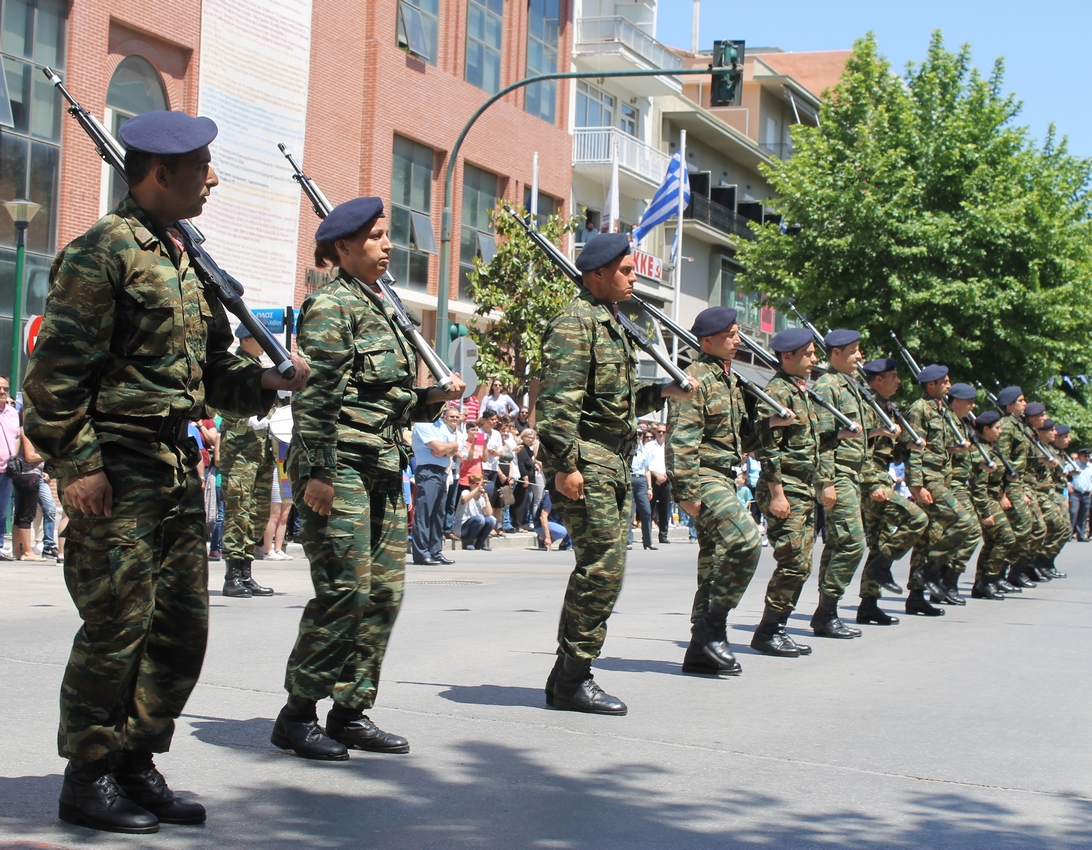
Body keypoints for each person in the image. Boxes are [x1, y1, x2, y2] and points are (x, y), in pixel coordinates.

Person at [22, 110, 308, 835]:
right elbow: (53, 381)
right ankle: (88, 775)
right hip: (116, 469)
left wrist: (267, 381)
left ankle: (135, 760)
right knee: (116, 627)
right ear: (159, 173)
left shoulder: (186, 259)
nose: (212, 179)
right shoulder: (102, 253)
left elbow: (212, 373)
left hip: (176, 465)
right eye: (201, 167)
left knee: (179, 629)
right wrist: (79, 466)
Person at [272, 196, 463, 761]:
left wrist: (432, 396)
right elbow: (315, 399)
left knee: (382, 595)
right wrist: (318, 473)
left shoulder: (385, 306)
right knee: (344, 591)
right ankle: (297, 714)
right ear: (343, 247)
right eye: (376, 236)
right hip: (342, 468)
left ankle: (350, 711)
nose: (388, 244)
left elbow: (388, 401)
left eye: (386, 235)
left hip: (384, 466)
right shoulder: (331, 306)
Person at [535, 232, 692, 715]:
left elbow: (614, 404)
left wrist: (660, 393)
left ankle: (565, 676)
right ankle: (574, 678)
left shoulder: (613, 323)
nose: (633, 278)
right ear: (597, 274)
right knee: (602, 571)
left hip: (614, 463)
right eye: (625, 270)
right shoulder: (575, 324)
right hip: (588, 463)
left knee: (602, 570)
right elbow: (556, 406)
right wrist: (565, 467)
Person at [666, 307, 762, 676]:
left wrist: (768, 421)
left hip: (724, 476)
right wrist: (686, 489)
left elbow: (742, 439)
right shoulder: (696, 378)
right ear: (708, 340)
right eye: (730, 334)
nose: (738, 340)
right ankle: (711, 628)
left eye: (737, 333)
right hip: (703, 477)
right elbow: (682, 437)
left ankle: (699, 650)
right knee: (746, 540)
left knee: (715, 560)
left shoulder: (730, 379)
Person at [750, 328, 844, 657]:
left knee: (801, 563)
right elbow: (767, 447)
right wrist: (777, 493)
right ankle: (768, 632)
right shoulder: (777, 391)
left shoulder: (801, 391)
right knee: (792, 561)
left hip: (802, 487)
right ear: (787, 356)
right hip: (785, 486)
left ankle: (777, 627)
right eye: (808, 353)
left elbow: (813, 443)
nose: (815, 359)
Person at [857, 359, 928, 625]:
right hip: (870, 481)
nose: (899, 381)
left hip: (882, 478)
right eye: (894, 376)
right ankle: (881, 566)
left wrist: (908, 446)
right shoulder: (867, 406)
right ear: (879, 380)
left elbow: (889, 452)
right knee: (917, 518)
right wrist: (872, 483)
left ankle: (868, 605)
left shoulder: (888, 407)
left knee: (880, 541)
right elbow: (858, 448)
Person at [901, 365, 975, 616]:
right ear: (931, 385)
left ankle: (916, 596)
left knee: (928, 539)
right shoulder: (919, 408)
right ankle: (930, 570)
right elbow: (914, 449)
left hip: (941, 478)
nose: (949, 386)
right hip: (928, 480)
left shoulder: (940, 409)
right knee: (964, 521)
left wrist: (953, 450)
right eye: (945, 382)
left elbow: (936, 448)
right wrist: (917, 486)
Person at [810, 330, 870, 639]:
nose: (859, 355)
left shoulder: (849, 384)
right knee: (853, 542)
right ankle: (826, 612)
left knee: (837, 542)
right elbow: (822, 439)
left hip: (852, 474)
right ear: (836, 353)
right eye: (854, 350)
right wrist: (826, 482)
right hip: (839, 475)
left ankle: (826, 612)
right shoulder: (827, 386)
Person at [218, 324, 277, 597]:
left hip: (261, 451)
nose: (263, 345)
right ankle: (232, 577)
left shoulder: (258, 367)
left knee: (256, 512)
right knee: (238, 510)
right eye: (259, 340)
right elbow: (217, 403)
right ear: (246, 339)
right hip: (240, 452)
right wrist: (246, 419)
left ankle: (246, 573)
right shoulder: (234, 368)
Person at [996, 387, 1048, 588]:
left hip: (1020, 482)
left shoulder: (1018, 425)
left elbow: (1021, 460)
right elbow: (1001, 460)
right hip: (1010, 484)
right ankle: (998, 574)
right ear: (1009, 405)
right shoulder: (1006, 426)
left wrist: (1040, 460)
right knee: (1022, 529)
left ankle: (1013, 572)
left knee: (1034, 528)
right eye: (1020, 400)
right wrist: (1002, 493)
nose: (1024, 404)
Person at [939, 383, 981, 605]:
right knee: (970, 529)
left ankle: (946, 580)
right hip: (950, 483)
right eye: (969, 402)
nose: (972, 406)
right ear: (956, 401)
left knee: (970, 530)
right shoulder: (946, 420)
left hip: (960, 483)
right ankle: (945, 579)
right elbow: (934, 450)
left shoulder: (962, 423)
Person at [967, 410, 1016, 599]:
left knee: (992, 543)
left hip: (993, 498)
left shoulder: (990, 448)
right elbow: (978, 486)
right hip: (986, 500)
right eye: (997, 428)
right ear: (986, 429)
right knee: (1006, 538)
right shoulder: (981, 451)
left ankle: (981, 584)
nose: (1001, 431)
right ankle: (987, 580)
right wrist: (985, 512)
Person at [410, 408, 460, 565]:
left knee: (438, 514)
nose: (440, 410)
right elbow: (439, 449)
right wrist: (445, 449)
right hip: (428, 471)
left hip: (442, 472)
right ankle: (421, 554)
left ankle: (435, 551)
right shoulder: (422, 424)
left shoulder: (442, 426)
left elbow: (454, 448)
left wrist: (446, 449)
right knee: (424, 513)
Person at [0, 376, 19, 559]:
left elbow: (17, 436)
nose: (2, 392)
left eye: (5, 389)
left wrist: (15, 457)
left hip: (7, 470)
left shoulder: (12, 413)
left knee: (2, 510)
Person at [627, 433, 655, 550]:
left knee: (646, 511)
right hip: (630, 478)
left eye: (640, 435)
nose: (638, 437)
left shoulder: (645, 451)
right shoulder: (627, 448)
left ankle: (648, 541)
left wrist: (650, 487)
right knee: (629, 513)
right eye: (636, 434)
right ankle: (628, 541)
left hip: (641, 480)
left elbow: (647, 470)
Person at [646, 423, 672, 544]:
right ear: (655, 433)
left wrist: (665, 476)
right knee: (649, 508)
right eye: (659, 431)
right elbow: (647, 463)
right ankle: (647, 536)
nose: (661, 434)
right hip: (652, 478)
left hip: (666, 479)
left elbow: (672, 462)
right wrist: (656, 476)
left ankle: (663, 535)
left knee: (664, 509)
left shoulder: (670, 446)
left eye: (663, 432)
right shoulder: (649, 446)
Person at [457, 473, 496, 550]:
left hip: (477, 526)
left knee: (492, 519)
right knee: (480, 519)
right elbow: (464, 500)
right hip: (462, 527)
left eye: (481, 484)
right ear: (470, 484)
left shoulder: (481, 498)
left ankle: (480, 543)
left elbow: (489, 513)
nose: (479, 486)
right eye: (477, 484)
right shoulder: (466, 492)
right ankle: (470, 542)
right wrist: (477, 488)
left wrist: (486, 498)